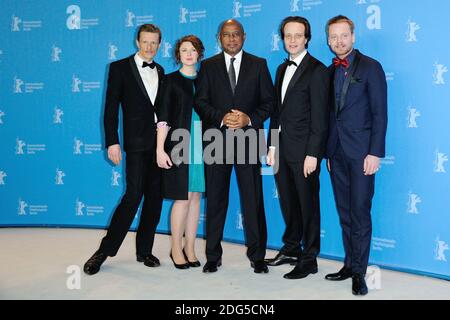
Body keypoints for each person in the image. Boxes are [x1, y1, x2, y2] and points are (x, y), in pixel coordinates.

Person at [194, 19, 275, 274]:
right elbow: (200, 101)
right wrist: (221, 118)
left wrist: (248, 119)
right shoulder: (207, 66)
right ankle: (212, 255)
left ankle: (257, 255)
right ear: (220, 37)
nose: (231, 39)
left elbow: (269, 102)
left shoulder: (259, 65)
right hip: (216, 140)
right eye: (227, 35)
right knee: (216, 200)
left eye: (236, 34)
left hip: (248, 139)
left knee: (253, 199)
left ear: (244, 36)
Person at [83, 24, 165, 275]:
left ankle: (144, 250)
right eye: (146, 42)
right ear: (137, 41)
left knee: (155, 198)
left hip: (161, 145)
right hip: (136, 143)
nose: (150, 47)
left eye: (154, 43)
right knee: (133, 195)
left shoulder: (161, 70)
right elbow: (110, 109)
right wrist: (112, 141)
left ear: (160, 44)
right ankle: (103, 252)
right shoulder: (119, 68)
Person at [324, 15, 387, 295]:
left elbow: (380, 114)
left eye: (343, 35)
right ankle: (350, 264)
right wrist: (327, 151)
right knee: (345, 212)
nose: (339, 41)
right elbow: (330, 116)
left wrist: (375, 152)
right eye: (333, 37)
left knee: (360, 213)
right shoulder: (329, 71)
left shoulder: (371, 67)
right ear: (328, 40)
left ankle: (360, 273)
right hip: (336, 153)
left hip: (362, 154)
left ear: (353, 37)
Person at [265, 16, 329, 279]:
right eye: (287, 35)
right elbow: (277, 112)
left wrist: (313, 153)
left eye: (297, 35)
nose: (292, 40)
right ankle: (291, 248)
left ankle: (310, 257)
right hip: (281, 149)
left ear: (307, 38)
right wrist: (271, 146)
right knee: (289, 202)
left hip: (305, 153)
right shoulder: (281, 69)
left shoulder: (318, 70)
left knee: (308, 205)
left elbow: (320, 118)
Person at [156, 35, 205, 270]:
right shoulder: (171, 80)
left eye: (192, 49)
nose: (188, 53)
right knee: (182, 197)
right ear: (178, 54)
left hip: (206, 146)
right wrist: (159, 149)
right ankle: (176, 247)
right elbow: (163, 117)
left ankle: (191, 247)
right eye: (184, 49)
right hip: (179, 144)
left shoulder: (206, 79)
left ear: (199, 53)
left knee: (196, 197)